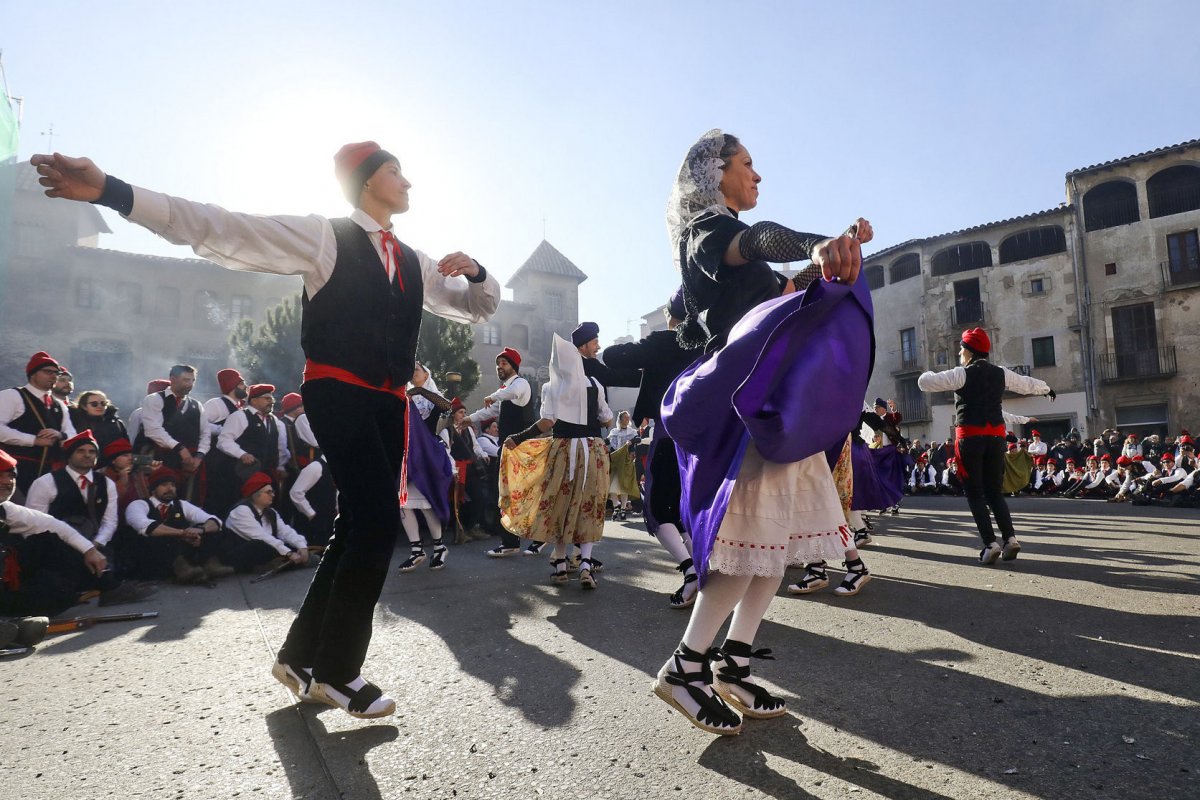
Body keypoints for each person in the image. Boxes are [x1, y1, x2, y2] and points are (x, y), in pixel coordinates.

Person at [34, 140, 500, 719]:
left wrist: (478, 272)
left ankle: (299, 656)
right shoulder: (323, 236)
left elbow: (476, 307)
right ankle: (337, 673)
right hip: (338, 391)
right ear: (365, 180)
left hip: (388, 403)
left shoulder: (412, 260)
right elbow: (220, 228)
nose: (408, 181)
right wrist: (111, 191)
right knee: (377, 522)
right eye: (396, 171)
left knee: (359, 523)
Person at [652, 130, 873, 736]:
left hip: (774, 403)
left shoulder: (732, 248)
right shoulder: (707, 231)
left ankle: (733, 661)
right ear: (713, 174)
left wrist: (833, 257)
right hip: (747, 408)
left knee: (774, 541)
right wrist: (816, 242)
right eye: (747, 165)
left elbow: (785, 292)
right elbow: (756, 239)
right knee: (750, 537)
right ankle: (686, 667)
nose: (757, 176)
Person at [602, 288, 704, 608]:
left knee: (658, 510)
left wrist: (648, 357)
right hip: (703, 440)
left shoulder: (663, 341)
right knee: (687, 510)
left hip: (669, 435)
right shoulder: (708, 342)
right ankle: (702, 569)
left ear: (670, 316)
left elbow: (612, 356)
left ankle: (691, 573)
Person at [917, 328, 1054, 564]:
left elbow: (923, 382)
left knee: (975, 493)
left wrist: (930, 369)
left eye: (961, 349)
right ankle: (1010, 539)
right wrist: (1046, 389)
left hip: (970, 439)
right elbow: (1026, 384)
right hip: (996, 439)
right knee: (994, 491)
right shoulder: (1000, 373)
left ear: (969, 351)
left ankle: (990, 544)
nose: (960, 352)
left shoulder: (961, 374)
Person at [501, 334, 613, 589]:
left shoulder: (551, 387)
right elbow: (607, 419)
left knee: (559, 505)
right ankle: (585, 563)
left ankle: (560, 563)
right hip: (592, 450)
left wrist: (519, 438)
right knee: (589, 505)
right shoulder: (593, 383)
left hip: (563, 449)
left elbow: (546, 423)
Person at [1, 447, 148, 616]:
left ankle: (106, 587)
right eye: (0, 475)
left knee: (49, 540)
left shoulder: (7, 509)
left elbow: (53, 524)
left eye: (11, 476)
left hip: (89, 543)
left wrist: (90, 549)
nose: (7, 482)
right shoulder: (46, 482)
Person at [469, 348, 537, 557]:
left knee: (525, 495)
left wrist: (493, 395)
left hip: (521, 449)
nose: (500, 367)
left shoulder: (520, 384)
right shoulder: (505, 391)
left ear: (513, 366)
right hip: (509, 450)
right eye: (498, 364)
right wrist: (468, 419)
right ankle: (511, 542)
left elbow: (511, 393)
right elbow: (490, 411)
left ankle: (536, 538)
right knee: (509, 496)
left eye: (504, 363)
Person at [124, 467, 228, 583]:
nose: (170, 489)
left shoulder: (181, 504)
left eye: (173, 485)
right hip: (151, 559)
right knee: (159, 535)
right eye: (164, 485)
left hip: (180, 553)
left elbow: (215, 520)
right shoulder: (138, 505)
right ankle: (182, 569)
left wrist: (200, 530)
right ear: (153, 489)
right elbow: (146, 527)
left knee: (212, 530)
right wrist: (182, 533)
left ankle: (210, 565)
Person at [0, 352, 77, 497]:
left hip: (47, 474)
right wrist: (33, 440)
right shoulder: (12, 396)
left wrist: (60, 434)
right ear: (33, 374)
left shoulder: (60, 405)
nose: (54, 376)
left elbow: (72, 435)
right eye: (48, 372)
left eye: (56, 373)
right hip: (11, 471)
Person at [223, 473, 310, 574]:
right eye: (268, 492)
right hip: (238, 554)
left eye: (272, 491)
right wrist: (289, 553)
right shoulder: (241, 511)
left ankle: (285, 562)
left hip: (267, 548)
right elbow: (260, 536)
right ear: (256, 494)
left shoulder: (271, 512)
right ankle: (277, 563)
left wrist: (301, 546)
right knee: (260, 544)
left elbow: (285, 531)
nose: (273, 495)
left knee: (288, 544)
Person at [606, 411, 640, 521]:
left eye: (628, 418)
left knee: (624, 486)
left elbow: (638, 439)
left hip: (626, 462)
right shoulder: (614, 432)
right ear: (620, 420)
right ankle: (616, 506)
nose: (627, 420)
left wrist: (631, 441)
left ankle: (623, 509)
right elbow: (607, 441)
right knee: (612, 486)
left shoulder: (632, 431)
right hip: (615, 461)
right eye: (624, 418)